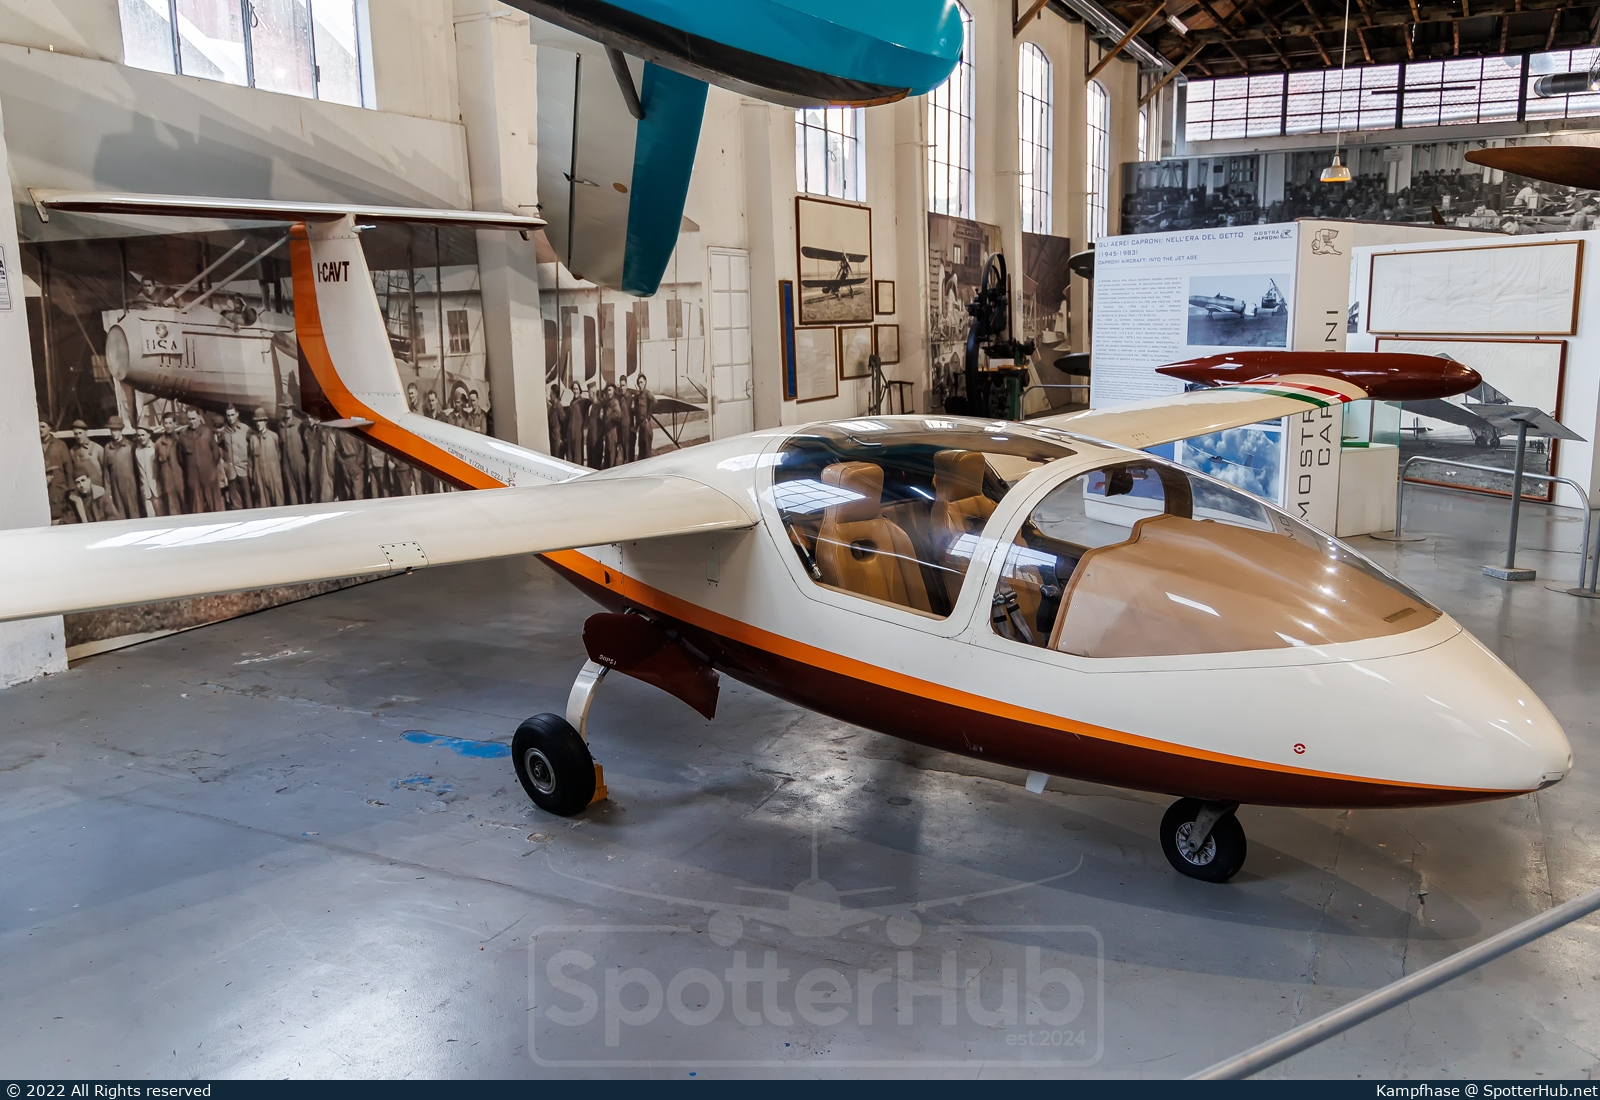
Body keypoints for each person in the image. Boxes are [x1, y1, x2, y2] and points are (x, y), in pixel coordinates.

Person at [178, 408, 226, 513]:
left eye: (194, 418)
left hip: (209, 476)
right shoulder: (183, 436)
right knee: (197, 508)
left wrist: (209, 468)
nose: (192, 421)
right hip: (193, 478)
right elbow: (181, 458)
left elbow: (216, 453)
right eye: (189, 419)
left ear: (199, 418)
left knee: (214, 506)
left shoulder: (207, 432)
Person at [248, 407, 285, 508]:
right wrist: (252, 479)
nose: (259, 424)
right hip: (259, 476)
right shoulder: (253, 439)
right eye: (257, 421)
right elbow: (250, 461)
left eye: (261, 421)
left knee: (278, 501)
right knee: (263, 504)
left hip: (273, 475)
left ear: (265, 421)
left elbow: (279, 455)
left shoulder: (274, 436)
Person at [100, 416, 136, 521]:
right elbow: (106, 472)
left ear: (121, 430)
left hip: (131, 486)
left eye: (116, 430)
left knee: (134, 513)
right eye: (111, 430)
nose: (113, 433)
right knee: (120, 515)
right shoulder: (107, 448)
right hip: (115, 487)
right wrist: (108, 491)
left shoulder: (130, 446)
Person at [219, 404, 253, 509]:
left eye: (232, 415)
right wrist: (224, 465)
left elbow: (252, 449)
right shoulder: (224, 432)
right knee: (235, 503)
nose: (230, 418)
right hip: (231, 472)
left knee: (248, 500)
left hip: (244, 471)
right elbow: (220, 448)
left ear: (237, 414)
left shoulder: (245, 429)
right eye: (228, 415)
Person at [153, 412, 186, 515]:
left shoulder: (181, 440)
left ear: (175, 424)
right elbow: (156, 468)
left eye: (170, 423)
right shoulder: (159, 443)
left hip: (181, 481)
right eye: (165, 423)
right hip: (168, 483)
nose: (168, 426)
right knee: (172, 510)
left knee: (185, 507)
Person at [277, 404, 309, 506]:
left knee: (303, 491)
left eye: (289, 408)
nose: (287, 411)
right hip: (287, 465)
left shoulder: (300, 424)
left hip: (299, 463)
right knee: (292, 494)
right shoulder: (280, 426)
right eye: (285, 408)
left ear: (292, 409)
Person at [69, 419, 105, 494]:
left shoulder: (97, 448)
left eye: (80, 433)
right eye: (75, 434)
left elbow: (106, 471)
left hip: (98, 488)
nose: (78, 436)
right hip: (84, 491)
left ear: (86, 432)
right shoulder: (72, 451)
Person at [133, 426, 160, 517]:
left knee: (161, 515)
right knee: (150, 516)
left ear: (149, 435)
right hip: (145, 490)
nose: (141, 438)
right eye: (139, 435)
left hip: (157, 489)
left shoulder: (156, 447)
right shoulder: (137, 451)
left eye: (143, 435)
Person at [40, 421, 70, 501]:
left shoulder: (59, 444)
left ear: (49, 428)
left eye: (43, 427)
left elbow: (68, 467)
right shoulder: (35, 445)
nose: (40, 430)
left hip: (58, 487)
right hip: (41, 488)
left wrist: (71, 489)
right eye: (38, 427)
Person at [334, 427, 366, 500]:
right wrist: (358, 462)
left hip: (346, 460)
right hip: (355, 460)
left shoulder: (340, 433)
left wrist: (342, 462)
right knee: (358, 492)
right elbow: (362, 448)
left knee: (348, 492)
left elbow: (337, 450)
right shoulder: (357, 432)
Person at [632, 375, 655, 460]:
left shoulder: (648, 394)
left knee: (647, 451)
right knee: (641, 449)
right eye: (638, 383)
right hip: (641, 426)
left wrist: (647, 417)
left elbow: (654, 402)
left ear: (645, 382)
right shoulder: (638, 396)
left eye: (641, 382)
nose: (640, 384)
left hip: (646, 426)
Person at [566, 383, 588, 468]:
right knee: (570, 456)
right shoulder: (571, 403)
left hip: (578, 433)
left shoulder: (583, 402)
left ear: (580, 390)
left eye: (577, 389)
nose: (575, 391)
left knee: (578, 456)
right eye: (574, 389)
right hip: (570, 433)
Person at [547, 383, 566, 461]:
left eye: (551, 393)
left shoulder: (558, 407)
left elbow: (564, 422)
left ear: (554, 394)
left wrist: (562, 437)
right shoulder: (552, 407)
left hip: (557, 437)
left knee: (557, 458)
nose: (550, 395)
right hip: (553, 436)